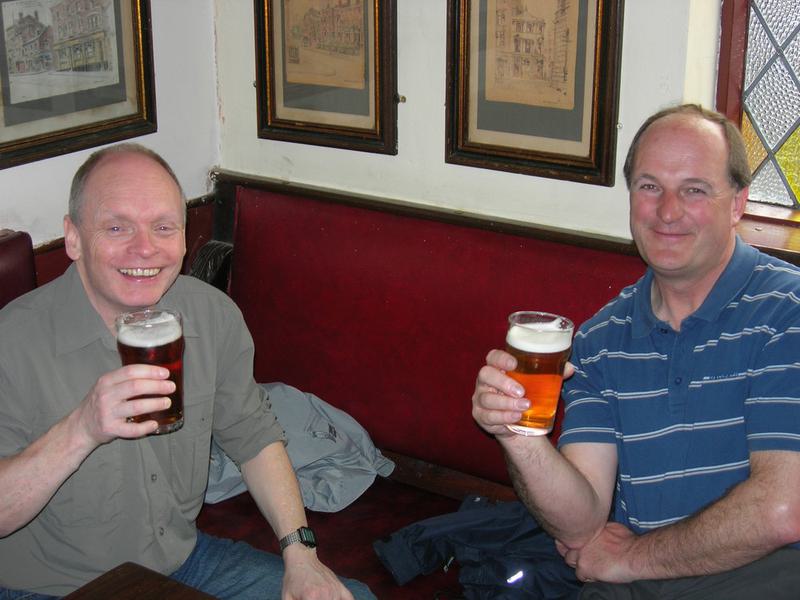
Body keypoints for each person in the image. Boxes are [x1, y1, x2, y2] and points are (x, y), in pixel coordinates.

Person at [0, 144, 375, 599]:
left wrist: (302, 556)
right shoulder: (12, 341)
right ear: (73, 237)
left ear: (182, 239)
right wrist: (80, 429)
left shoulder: (211, 314)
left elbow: (253, 436)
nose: (145, 248)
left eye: (163, 227)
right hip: (52, 588)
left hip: (182, 563)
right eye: (117, 227)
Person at [472, 104, 800, 599]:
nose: (667, 211)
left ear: (737, 204)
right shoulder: (601, 339)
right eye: (650, 186)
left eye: (694, 189)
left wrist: (631, 558)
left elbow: (784, 510)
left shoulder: (787, 312)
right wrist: (517, 433)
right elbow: (581, 525)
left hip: (765, 576)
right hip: (636, 583)